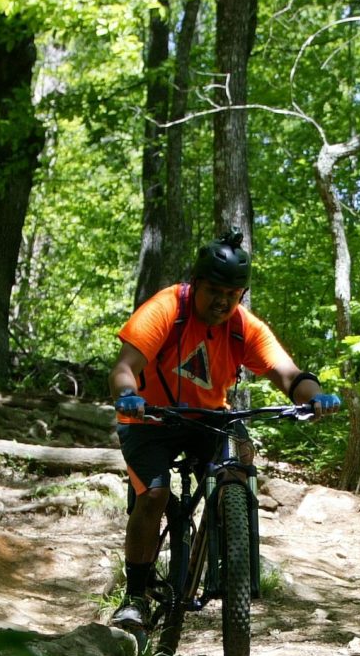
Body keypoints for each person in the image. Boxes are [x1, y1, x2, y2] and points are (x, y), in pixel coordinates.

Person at [110, 231, 340, 633]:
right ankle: (135, 598)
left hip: (209, 420)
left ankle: (230, 566)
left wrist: (315, 396)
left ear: (242, 294)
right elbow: (124, 367)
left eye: (232, 294)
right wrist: (128, 395)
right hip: (149, 418)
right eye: (213, 290)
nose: (222, 301)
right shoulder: (166, 308)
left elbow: (287, 374)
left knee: (236, 469)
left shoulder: (243, 328)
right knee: (156, 495)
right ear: (195, 284)